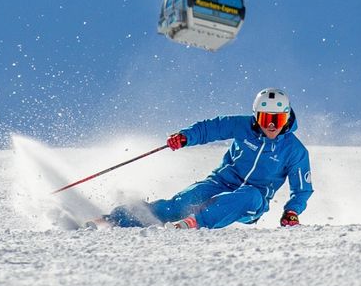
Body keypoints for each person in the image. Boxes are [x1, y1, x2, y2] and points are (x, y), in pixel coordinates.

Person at [89, 88, 313, 230]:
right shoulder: (242, 126)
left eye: (278, 119)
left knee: (249, 195)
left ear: (287, 118)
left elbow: (302, 189)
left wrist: (291, 211)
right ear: (256, 117)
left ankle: (195, 223)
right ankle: (115, 218)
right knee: (178, 205)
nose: (271, 126)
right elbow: (211, 128)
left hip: (253, 201)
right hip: (219, 182)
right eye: (266, 119)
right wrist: (186, 137)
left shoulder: (294, 150)